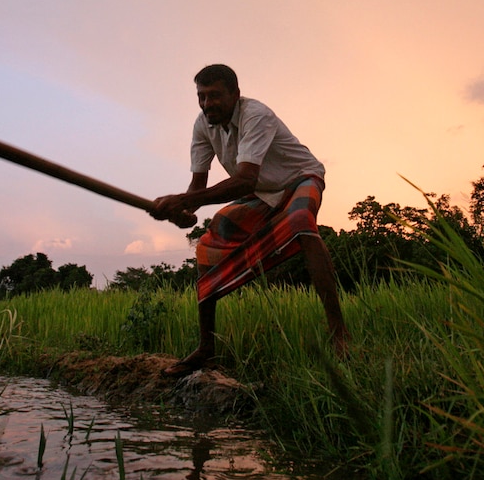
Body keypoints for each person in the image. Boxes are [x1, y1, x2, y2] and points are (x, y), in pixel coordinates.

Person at [150, 64, 350, 377]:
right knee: (206, 246)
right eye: (201, 97)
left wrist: (184, 200)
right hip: (261, 191)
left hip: (299, 178)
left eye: (215, 96)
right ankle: (207, 348)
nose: (207, 104)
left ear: (236, 95)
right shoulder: (203, 125)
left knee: (300, 222)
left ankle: (340, 334)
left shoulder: (256, 115)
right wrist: (183, 213)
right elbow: (197, 187)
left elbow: (244, 180)